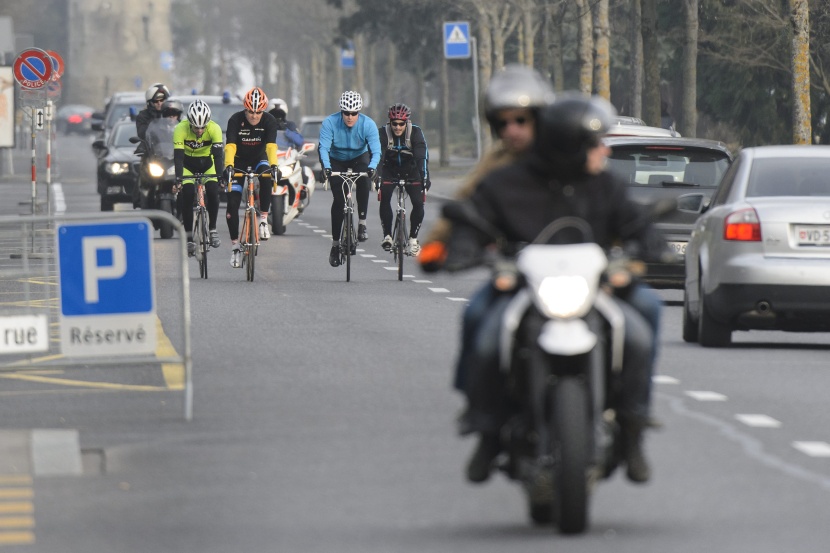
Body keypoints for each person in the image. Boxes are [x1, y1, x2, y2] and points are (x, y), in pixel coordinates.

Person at [443, 94, 670, 485]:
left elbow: (636, 222)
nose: (603, 151)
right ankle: (488, 430)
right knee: (484, 333)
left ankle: (633, 428)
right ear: (569, 147)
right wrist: (463, 249)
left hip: (594, 288)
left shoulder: (606, 186)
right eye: (594, 143)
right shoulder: (507, 183)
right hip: (526, 287)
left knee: (643, 323)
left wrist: (653, 245)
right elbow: (475, 219)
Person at [318, 90, 381, 267]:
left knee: (364, 180)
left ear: (359, 112)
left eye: (354, 113)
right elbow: (323, 148)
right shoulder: (330, 122)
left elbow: (375, 151)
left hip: (359, 157)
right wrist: (326, 168)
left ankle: (362, 222)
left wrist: (372, 168)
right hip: (336, 159)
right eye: (346, 113)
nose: (350, 117)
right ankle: (335, 244)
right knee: (338, 200)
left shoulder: (368, 125)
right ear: (341, 112)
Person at [222, 86, 279, 268]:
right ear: (245, 109)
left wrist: (275, 166)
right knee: (232, 203)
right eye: (250, 112)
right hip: (238, 161)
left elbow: (271, 147)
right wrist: (229, 166)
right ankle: (235, 247)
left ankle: (263, 220)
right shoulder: (235, 120)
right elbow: (230, 146)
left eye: (258, 112)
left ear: (263, 111)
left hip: (259, 159)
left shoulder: (269, 121)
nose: (254, 116)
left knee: (266, 176)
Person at [376, 103, 430, 256]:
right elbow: (378, 157)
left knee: (418, 202)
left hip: (412, 171)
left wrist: (424, 176)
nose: (398, 127)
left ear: (407, 123)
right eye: (394, 124)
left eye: (401, 124)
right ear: (390, 122)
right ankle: (387, 235)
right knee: (384, 196)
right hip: (389, 170)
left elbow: (421, 156)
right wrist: (377, 177)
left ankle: (413, 239)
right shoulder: (383, 133)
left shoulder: (415, 132)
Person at [173, 99, 224, 256]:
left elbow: (218, 156)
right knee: (187, 194)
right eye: (196, 127)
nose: (199, 130)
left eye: (203, 127)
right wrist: (178, 178)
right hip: (188, 165)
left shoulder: (215, 129)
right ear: (189, 122)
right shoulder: (180, 129)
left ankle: (213, 229)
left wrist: (220, 176)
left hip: (207, 164)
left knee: (214, 192)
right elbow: (179, 158)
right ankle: (189, 237)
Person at [133, 83, 171, 206]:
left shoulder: (172, 115)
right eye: (156, 101)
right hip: (152, 154)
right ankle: (143, 199)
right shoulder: (143, 116)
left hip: (171, 155)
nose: (160, 103)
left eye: (162, 100)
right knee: (145, 179)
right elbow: (142, 133)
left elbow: (181, 128)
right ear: (150, 102)